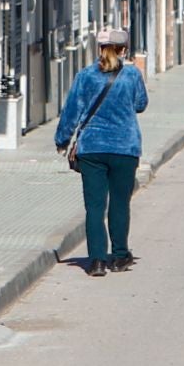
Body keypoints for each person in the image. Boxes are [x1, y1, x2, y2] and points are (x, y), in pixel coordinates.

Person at [55, 26, 149, 276]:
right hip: (124, 148)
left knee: (95, 207)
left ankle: (96, 260)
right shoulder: (132, 76)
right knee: (120, 204)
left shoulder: (85, 76)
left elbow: (71, 112)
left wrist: (62, 139)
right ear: (123, 50)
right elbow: (141, 105)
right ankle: (119, 256)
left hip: (92, 149)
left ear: (99, 49)